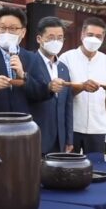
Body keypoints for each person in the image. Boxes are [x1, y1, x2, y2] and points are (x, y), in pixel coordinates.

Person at [59, 17, 106, 154]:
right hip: (72, 126)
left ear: (103, 38)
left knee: (96, 168)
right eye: (90, 35)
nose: (94, 39)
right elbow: (61, 92)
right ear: (82, 35)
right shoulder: (66, 58)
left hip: (98, 128)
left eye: (98, 36)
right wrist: (81, 87)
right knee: (70, 168)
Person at [28, 17, 73, 154]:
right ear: (39, 39)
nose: (56, 42)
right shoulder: (29, 63)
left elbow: (68, 105)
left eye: (60, 38)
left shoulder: (63, 68)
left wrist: (69, 139)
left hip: (60, 140)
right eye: (51, 37)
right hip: (36, 137)